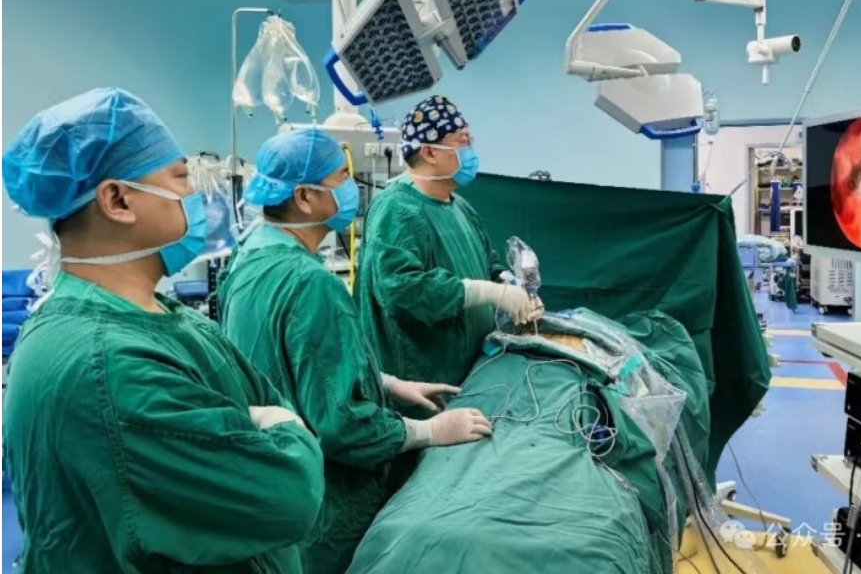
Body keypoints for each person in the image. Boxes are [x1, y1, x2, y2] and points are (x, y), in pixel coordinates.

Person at [0, 88, 326, 573]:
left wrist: (267, 419)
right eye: (180, 177)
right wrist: (281, 425)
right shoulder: (108, 365)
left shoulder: (162, 315)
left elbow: (262, 399)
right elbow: (287, 495)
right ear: (118, 199)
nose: (196, 194)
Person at [218, 129, 493, 574]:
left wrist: (385, 383)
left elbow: (284, 362)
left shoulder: (251, 254)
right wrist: (429, 432)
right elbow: (342, 425)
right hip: (324, 502)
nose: (352, 187)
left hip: (273, 484)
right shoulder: (309, 283)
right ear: (305, 197)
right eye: (341, 178)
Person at [357, 95, 543, 392]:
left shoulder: (460, 207)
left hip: (474, 372)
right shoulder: (397, 210)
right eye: (462, 141)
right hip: (424, 383)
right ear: (430, 151)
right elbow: (401, 291)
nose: (471, 150)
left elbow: (488, 264)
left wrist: (512, 289)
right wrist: (489, 292)